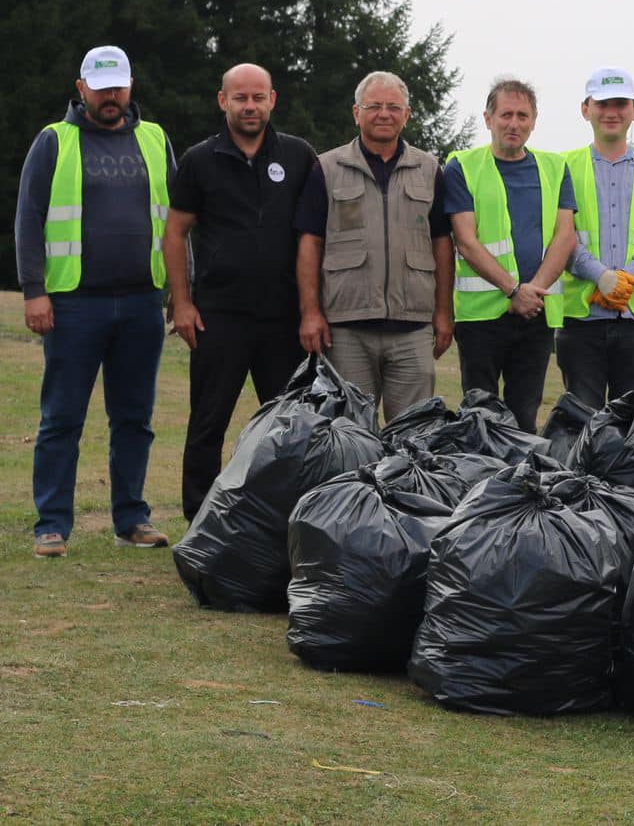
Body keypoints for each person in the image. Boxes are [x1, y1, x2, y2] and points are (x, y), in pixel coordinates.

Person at [14, 46, 177, 558]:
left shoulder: (154, 138)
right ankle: (52, 524)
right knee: (62, 417)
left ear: (130, 88)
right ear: (81, 86)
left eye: (120, 86)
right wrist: (34, 291)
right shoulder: (53, 141)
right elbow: (28, 219)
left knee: (135, 417)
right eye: (102, 86)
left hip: (141, 303)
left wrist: (181, 291)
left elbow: (179, 222)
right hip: (72, 305)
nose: (112, 96)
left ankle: (131, 518)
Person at [163, 63, 317, 520]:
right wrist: (184, 303)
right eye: (240, 98)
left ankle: (286, 524)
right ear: (222, 101)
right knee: (207, 425)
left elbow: (313, 238)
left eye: (257, 97)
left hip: (283, 319)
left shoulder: (299, 156)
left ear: (273, 99)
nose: (249, 106)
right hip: (219, 316)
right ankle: (199, 523)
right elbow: (175, 234)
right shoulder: (199, 159)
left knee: (289, 429)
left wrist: (311, 309)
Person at [295, 70, 454, 425]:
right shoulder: (327, 168)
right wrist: (310, 312)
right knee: (349, 435)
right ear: (356, 113)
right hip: (346, 329)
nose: (385, 114)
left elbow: (442, 244)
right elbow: (310, 243)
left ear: (407, 115)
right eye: (375, 106)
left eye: (394, 107)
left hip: (412, 329)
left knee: (412, 437)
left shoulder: (429, 170)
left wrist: (444, 312)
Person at [443, 77, 577, 433]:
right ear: (488, 118)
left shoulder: (555, 167)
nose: (513, 124)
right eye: (505, 115)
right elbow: (466, 241)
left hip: (535, 314)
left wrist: (531, 292)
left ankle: (521, 488)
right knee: (479, 419)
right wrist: (513, 290)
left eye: (522, 115)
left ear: (534, 121)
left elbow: (565, 237)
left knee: (524, 417)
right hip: (480, 318)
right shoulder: (461, 166)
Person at [557, 67, 634, 410]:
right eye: (602, 103)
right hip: (582, 317)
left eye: (620, 103)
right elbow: (560, 235)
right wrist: (600, 276)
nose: (612, 112)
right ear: (586, 109)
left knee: (633, 420)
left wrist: (624, 279)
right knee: (582, 419)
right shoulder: (563, 166)